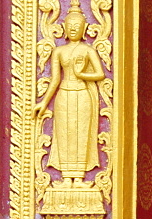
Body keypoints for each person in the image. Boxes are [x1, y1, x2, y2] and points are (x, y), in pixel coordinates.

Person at [34, 0, 105, 183]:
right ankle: (66, 177)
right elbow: (55, 79)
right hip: (64, 95)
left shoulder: (87, 50)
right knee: (64, 134)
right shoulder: (59, 51)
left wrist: (82, 74)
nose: (73, 29)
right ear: (64, 27)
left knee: (81, 134)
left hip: (82, 95)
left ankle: (79, 178)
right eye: (70, 25)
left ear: (85, 27)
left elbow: (100, 74)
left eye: (78, 26)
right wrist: (43, 101)